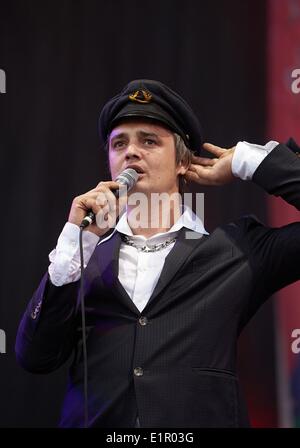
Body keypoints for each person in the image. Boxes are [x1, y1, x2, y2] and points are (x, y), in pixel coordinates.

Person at [16, 79, 300, 428]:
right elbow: (35, 357)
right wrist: (77, 241)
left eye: (148, 140)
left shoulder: (236, 250)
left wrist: (248, 161)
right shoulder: (81, 260)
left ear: (183, 162)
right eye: (119, 143)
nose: (131, 152)